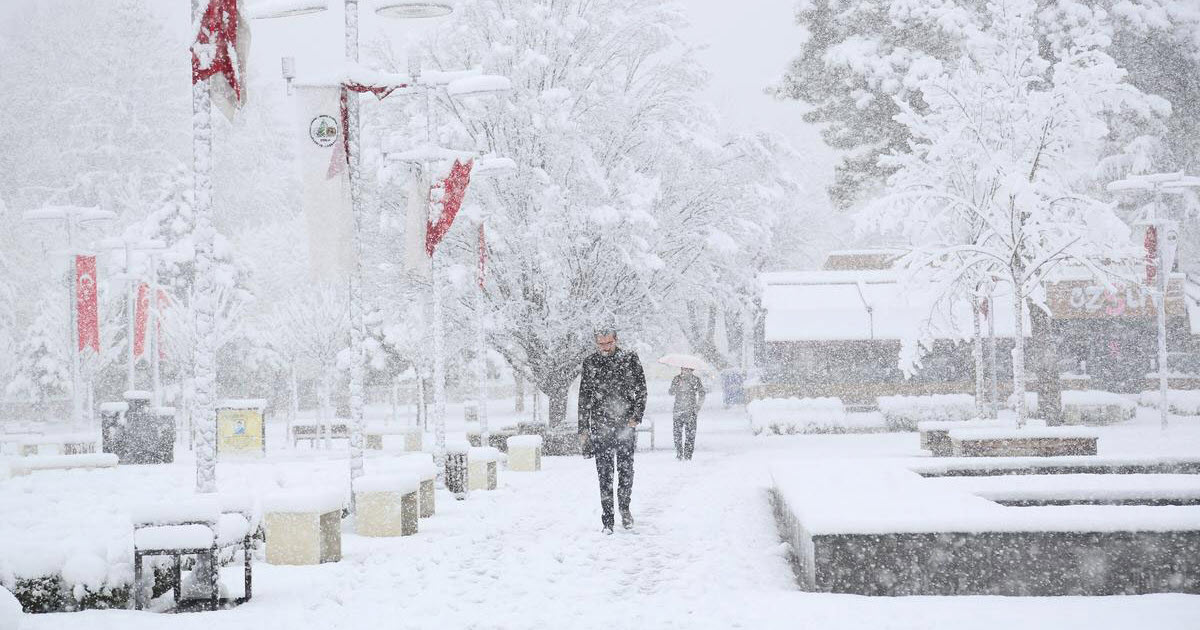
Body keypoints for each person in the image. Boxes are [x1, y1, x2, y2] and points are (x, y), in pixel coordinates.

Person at [577, 328, 647, 534]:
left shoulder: (630, 359)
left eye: (608, 343)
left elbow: (641, 389)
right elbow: (584, 397)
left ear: (616, 340)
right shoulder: (590, 362)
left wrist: (636, 415)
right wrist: (583, 428)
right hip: (600, 426)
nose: (605, 348)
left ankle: (625, 509)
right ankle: (607, 519)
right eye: (601, 344)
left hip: (625, 424)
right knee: (604, 473)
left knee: (626, 470)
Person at [669, 367, 705, 460]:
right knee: (677, 433)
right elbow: (671, 392)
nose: (684, 371)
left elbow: (702, 393)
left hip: (691, 411)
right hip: (678, 410)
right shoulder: (677, 379)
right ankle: (679, 453)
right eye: (683, 369)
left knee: (690, 434)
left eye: (687, 369)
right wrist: (676, 386)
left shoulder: (695, 380)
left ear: (692, 370)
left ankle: (688, 455)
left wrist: (698, 406)